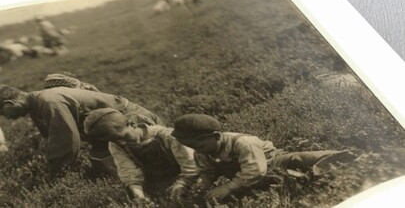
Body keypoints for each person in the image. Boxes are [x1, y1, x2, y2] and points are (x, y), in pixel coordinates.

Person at [172, 114, 359, 201]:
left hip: (271, 163)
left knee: (300, 159)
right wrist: (203, 185)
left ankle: (348, 157)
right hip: (247, 177)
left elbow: (256, 169)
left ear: (216, 136)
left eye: (200, 144)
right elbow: (208, 172)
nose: (198, 150)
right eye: (193, 147)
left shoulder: (244, 143)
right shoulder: (202, 152)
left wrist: (229, 186)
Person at [0, 84, 163, 174]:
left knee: (153, 163)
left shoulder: (48, 102)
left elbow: (66, 139)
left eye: (3, 114)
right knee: (102, 164)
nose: (7, 118)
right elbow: (50, 136)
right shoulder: (36, 103)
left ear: (10, 104)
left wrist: (57, 172)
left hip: (131, 122)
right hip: (109, 129)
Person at [84, 108, 198, 203]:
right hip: (159, 180)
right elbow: (127, 170)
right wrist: (138, 194)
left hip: (188, 175)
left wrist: (183, 183)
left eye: (123, 137)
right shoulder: (116, 145)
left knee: (191, 195)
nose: (122, 142)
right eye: (114, 140)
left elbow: (190, 161)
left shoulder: (166, 136)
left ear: (132, 124)